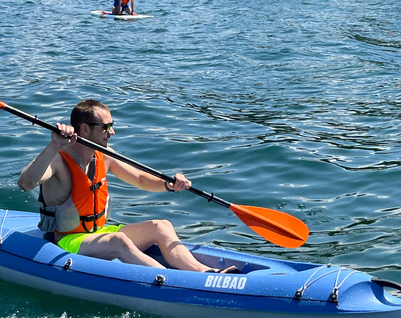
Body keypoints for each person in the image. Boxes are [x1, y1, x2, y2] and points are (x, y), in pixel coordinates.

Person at [17, 99, 238, 273]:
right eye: (106, 127)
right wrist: (54, 144)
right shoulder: (58, 160)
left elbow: (141, 179)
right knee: (118, 240)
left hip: (99, 231)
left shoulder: (105, 156)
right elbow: (25, 183)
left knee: (161, 225)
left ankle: (205, 272)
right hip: (69, 240)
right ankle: (175, 282)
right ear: (84, 129)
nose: (112, 132)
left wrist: (169, 185)